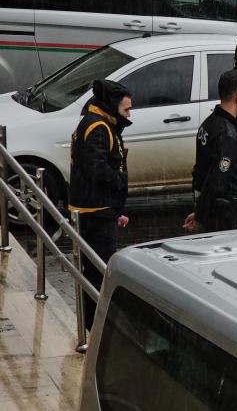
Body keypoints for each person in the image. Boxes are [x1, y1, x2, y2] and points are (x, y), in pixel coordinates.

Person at [69, 79, 132, 330]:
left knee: (95, 272)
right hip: (95, 213)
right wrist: (118, 183)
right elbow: (95, 167)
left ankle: (94, 324)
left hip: (100, 210)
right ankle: (95, 327)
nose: (129, 115)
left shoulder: (99, 122)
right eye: (126, 110)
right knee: (99, 272)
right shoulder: (97, 127)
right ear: (112, 105)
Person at [185, 69, 237, 233]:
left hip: (219, 211)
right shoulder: (227, 135)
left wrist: (200, 212)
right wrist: (200, 217)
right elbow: (218, 179)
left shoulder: (209, 123)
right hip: (227, 215)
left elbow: (204, 172)